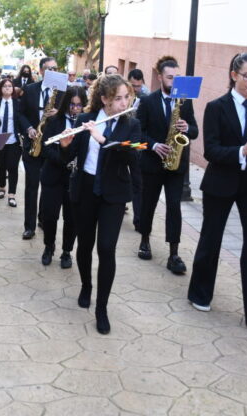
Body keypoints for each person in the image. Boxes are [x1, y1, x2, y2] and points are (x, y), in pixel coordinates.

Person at [188, 52, 247, 335]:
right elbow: (211, 150)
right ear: (234, 75)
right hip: (222, 180)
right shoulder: (217, 107)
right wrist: (241, 149)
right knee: (211, 238)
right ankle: (200, 294)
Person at [59, 74, 140, 334]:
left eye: (127, 97)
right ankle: (86, 285)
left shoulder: (131, 125)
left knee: (106, 249)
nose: (124, 102)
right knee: (85, 245)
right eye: (118, 98)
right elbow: (71, 156)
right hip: (85, 190)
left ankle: (102, 308)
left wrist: (103, 139)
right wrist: (65, 143)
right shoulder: (85, 120)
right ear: (104, 99)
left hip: (113, 195)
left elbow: (133, 153)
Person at [136, 56, 198, 274]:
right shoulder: (147, 101)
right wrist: (153, 146)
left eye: (177, 77)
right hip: (152, 163)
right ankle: (145, 240)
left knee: (174, 207)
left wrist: (186, 127)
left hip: (175, 164)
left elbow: (195, 132)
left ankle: (174, 253)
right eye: (170, 77)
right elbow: (138, 133)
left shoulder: (186, 101)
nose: (174, 81)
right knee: (148, 204)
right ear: (160, 77)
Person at [39, 85, 87, 268]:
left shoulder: (85, 123)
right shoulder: (55, 121)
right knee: (49, 215)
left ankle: (67, 251)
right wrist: (62, 159)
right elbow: (46, 147)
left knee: (71, 217)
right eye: (72, 105)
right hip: (54, 174)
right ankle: (48, 246)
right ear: (66, 104)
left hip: (74, 179)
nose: (75, 109)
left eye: (79, 105)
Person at [17, 56, 61, 239]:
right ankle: (29, 226)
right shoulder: (30, 89)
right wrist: (28, 129)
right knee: (32, 186)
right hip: (32, 145)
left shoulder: (62, 92)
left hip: (52, 146)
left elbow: (72, 115)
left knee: (48, 185)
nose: (54, 71)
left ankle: (43, 218)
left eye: (56, 68)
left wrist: (59, 113)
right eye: (50, 69)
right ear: (42, 71)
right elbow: (20, 114)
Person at [0, 78, 21, 208]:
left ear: (13, 89)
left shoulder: (18, 104)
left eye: (10, 86)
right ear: (0, 89)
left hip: (13, 140)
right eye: (4, 86)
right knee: (1, 165)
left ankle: (12, 194)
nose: (7, 88)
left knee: (13, 166)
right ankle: (2, 188)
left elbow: (20, 121)